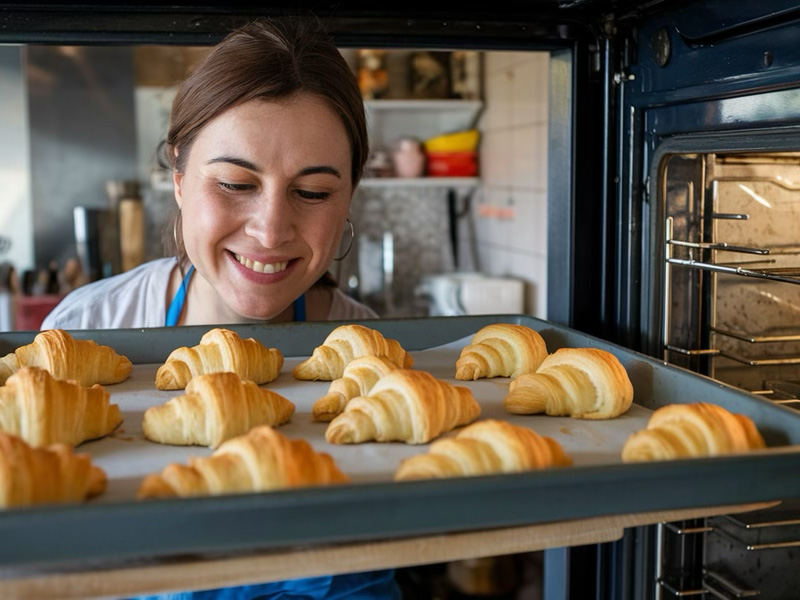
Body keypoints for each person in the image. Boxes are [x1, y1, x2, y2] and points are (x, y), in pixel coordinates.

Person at [42, 16, 399, 600]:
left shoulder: (373, 355)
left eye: (313, 192)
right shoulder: (87, 330)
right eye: (235, 182)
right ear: (179, 177)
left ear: (349, 196)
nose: (271, 230)